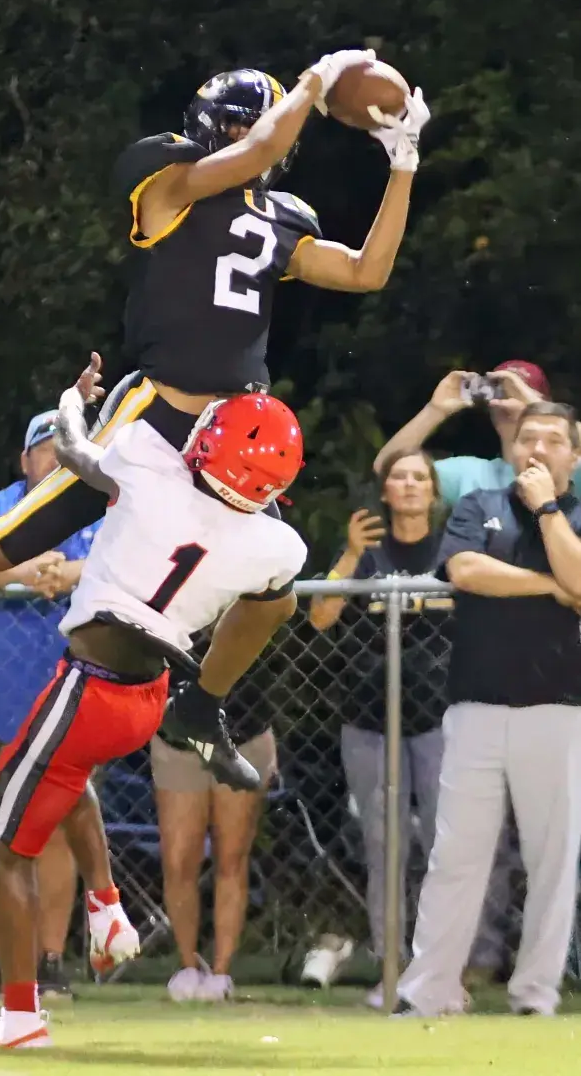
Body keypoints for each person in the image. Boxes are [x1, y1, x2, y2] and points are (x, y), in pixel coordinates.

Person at [0, 54, 430, 711]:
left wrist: (403, 162)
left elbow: (367, 271)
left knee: (274, 595)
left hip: (233, 436)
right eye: (242, 125)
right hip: (157, 414)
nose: (257, 137)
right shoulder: (166, 178)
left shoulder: (283, 214)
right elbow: (259, 151)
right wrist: (315, 81)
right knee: (10, 541)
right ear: (212, 126)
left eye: (262, 126)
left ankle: (200, 707)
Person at [0, 357, 309, 1048]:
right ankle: (106, 908)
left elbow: (76, 451)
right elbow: (273, 598)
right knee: (67, 776)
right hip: (149, 692)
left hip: (92, 680)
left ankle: (20, 1015)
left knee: (6, 842)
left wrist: (73, 400)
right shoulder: (276, 543)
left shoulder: (153, 473)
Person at [395, 401, 581, 1018]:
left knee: (551, 861)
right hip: (475, 704)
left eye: (553, 440)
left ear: (574, 456)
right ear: (511, 448)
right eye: (528, 438)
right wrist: (548, 586)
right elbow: (466, 569)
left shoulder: (575, 515)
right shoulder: (479, 505)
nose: (537, 450)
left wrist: (548, 511)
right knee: (456, 855)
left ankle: (535, 995)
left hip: (558, 706)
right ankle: (428, 991)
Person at [307, 450, 502, 1005]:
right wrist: (349, 555)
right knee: (384, 848)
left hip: (440, 718)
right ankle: (391, 971)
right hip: (369, 719)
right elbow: (320, 618)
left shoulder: (453, 551)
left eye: (420, 477)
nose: (410, 484)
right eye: (400, 476)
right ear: (386, 490)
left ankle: (445, 972)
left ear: (434, 492)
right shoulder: (366, 550)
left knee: (447, 847)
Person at [0, 408, 102, 1000]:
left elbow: (123, 565)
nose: (56, 458)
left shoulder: (98, 512)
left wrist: (67, 573)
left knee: (63, 827)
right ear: (25, 460)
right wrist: (25, 572)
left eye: (66, 449)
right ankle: (7, 962)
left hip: (72, 696)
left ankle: (50, 960)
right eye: (46, 448)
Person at [152, 650, 279, 1003]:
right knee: (178, 860)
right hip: (177, 740)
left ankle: (221, 973)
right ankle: (188, 965)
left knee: (231, 857)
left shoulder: (249, 615)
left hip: (243, 733)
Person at [373, 360, 581, 498]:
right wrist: (434, 410)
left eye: (517, 392)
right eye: (499, 392)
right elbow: (386, 468)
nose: (506, 402)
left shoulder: (569, 467)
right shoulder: (471, 474)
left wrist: (535, 408)